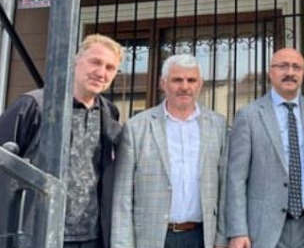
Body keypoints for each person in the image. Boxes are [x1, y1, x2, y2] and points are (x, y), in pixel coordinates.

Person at [0, 33, 123, 248]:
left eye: (110, 67)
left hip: (91, 237)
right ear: (75, 61)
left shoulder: (109, 113)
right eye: (95, 62)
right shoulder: (34, 105)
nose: (101, 72)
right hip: (38, 234)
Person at [111, 54, 228, 248]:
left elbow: (224, 187)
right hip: (152, 239)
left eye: (191, 80)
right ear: (163, 83)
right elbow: (122, 195)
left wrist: (222, 239)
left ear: (200, 84)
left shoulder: (218, 125)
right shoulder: (136, 127)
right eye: (177, 80)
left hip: (201, 238)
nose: (185, 86)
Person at [226, 47, 304, 248]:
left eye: (296, 67)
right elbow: (236, 179)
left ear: (303, 73)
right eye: (283, 66)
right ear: (271, 72)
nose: (290, 72)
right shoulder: (249, 115)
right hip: (264, 229)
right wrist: (238, 230)